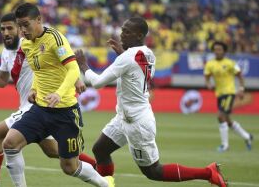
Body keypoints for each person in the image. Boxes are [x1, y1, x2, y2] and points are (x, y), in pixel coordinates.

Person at [75, 17, 228, 187]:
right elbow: (135, 69)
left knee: (154, 171)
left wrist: (84, 65)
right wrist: (122, 54)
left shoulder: (128, 58)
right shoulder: (148, 53)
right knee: (100, 149)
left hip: (137, 122)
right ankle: (106, 184)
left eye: (127, 32)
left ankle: (208, 172)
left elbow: (97, 83)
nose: (121, 35)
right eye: (122, 30)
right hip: (125, 117)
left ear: (139, 35)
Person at [2, 3, 114, 187]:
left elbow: (72, 68)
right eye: (19, 26)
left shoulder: (55, 38)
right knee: (10, 144)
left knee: (69, 166)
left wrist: (59, 94)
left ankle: (105, 184)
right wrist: (34, 89)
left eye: (26, 24)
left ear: (39, 20)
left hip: (65, 112)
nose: (22, 30)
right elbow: (41, 71)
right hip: (40, 109)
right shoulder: (27, 44)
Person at [0, 13, 90, 187]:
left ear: (20, 28)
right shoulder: (6, 52)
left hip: (35, 105)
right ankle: (97, 167)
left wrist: (78, 79)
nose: (6, 33)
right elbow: (3, 80)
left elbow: (62, 58)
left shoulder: (30, 42)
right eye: (3, 29)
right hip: (32, 106)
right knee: (54, 151)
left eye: (10, 28)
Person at [204, 41, 253, 152]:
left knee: (220, 116)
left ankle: (225, 145)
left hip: (229, 92)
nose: (217, 52)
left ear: (224, 51)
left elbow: (240, 76)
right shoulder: (210, 64)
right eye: (215, 50)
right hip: (219, 94)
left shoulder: (230, 63)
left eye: (219, 49)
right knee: (227, 120)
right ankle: (247, 137)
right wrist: (208, 84)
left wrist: (241, 89)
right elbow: (207, 76)